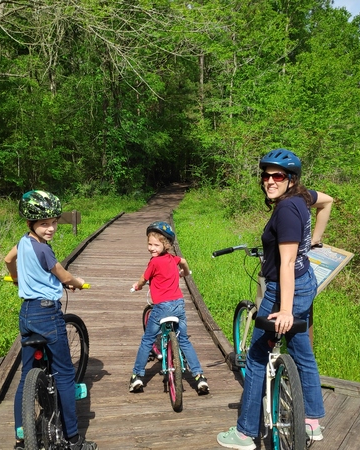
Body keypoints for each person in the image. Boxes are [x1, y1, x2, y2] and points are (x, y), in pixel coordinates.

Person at [217, 149, 333, 449]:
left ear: (291, 179)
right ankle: (312, 421)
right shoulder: (303, 197)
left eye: (277, 175)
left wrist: (283, 309)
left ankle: (245, 434)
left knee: (256, 357)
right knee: (301, 351)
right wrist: (316, 238)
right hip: (305, 283)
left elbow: (286, 262)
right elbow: (328, 201)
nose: (270, 180)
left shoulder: (285, 211)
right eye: (266, 175)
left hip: (285, 289)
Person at [4, 190, 97, 450]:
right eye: (44, 223)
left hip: (27, 314)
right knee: (65, 375)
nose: (51, 228)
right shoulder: (44, 250)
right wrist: (76, 282)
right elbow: (63, 275)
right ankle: (73, 439)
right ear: (31, 224)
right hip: (47, 313)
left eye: (55, 222)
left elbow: (8, 259)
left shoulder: (22, 242)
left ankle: (22, 435)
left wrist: (16, 278)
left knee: (25, 377)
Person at [129, 221, 209, 395]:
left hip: (161, 308)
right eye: (149, 244)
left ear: (165, 245)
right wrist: (185, 273)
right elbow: (185, 262)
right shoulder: (174, 259)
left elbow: (144, 278)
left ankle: (137, 376)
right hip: (179, 305)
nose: (151, 248)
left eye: (156, 245)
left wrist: (138, 285)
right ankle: (199, 376)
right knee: (184, 341)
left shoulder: (154, 262)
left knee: (147, 340)